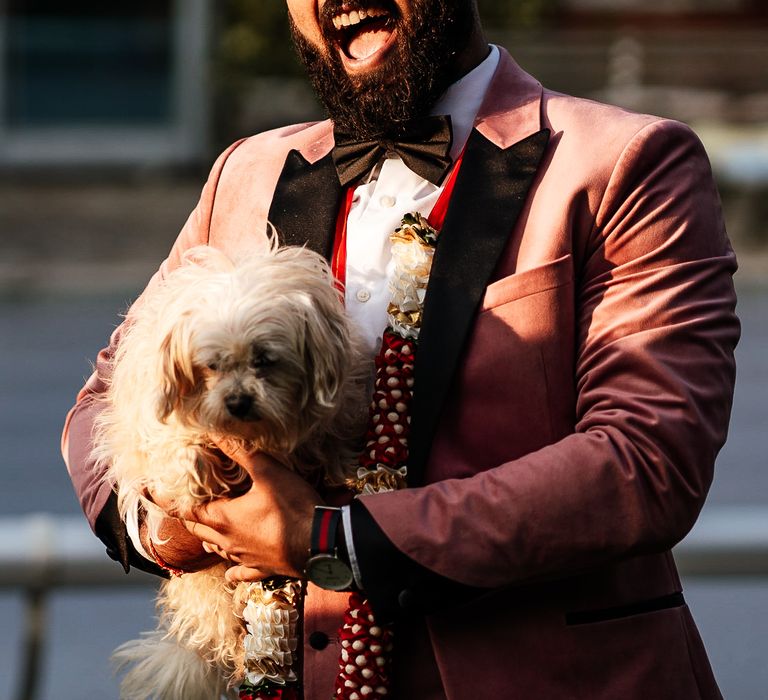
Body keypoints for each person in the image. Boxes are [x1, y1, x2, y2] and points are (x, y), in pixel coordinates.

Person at [62, 1, 740, 697]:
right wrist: (176, 523)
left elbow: (647, 459)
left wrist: (330, 538)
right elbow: (106, 398)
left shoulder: (630, 161)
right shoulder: (245, 171)